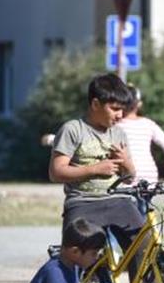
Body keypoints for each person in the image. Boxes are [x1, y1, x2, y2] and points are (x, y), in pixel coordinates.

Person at [48, 74, 141, 256]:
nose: (120, 115)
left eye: (122, 110)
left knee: (144, 247)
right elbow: (56, 172)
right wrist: (94, 169)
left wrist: (126, 162)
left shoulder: (119, 133)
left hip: (118, 201)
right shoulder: (73, 129)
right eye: (114, 109)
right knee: (74, 255)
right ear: (95, 104)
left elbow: (130, 179)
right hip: (82, 202)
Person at [118, 85, 164, 186]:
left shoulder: (116, 126)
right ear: (139, 104)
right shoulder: (148, 124)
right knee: (145, 201)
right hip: (149, 174)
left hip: (126, 174)